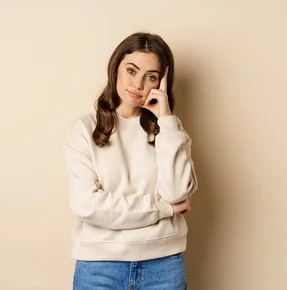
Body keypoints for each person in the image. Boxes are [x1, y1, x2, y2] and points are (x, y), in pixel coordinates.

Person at [63, 32, 198, 289]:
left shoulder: (169, 129)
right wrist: (164, 209)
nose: (138, 84)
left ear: (161, 83)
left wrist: (167, 118)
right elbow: (87, 205)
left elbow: (178, 190)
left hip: (163, 266)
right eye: (131, 70)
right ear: (116, 68)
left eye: (151, 77)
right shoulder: (83, 129)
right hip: (99, 267)